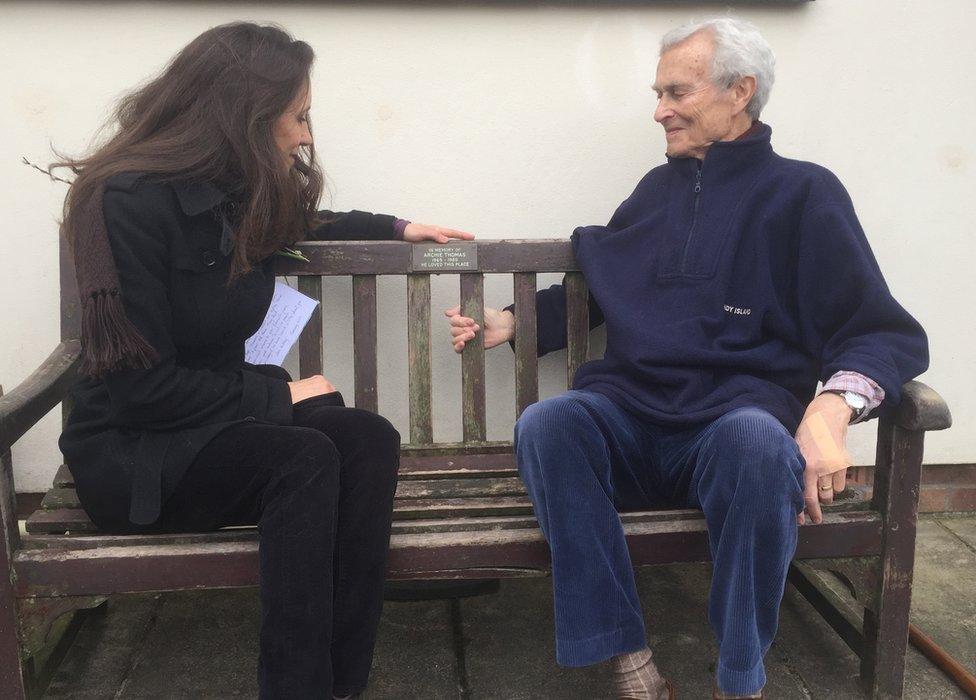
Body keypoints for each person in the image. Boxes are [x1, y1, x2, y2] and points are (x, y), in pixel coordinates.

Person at [445, 17, 927, 700]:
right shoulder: (654, 191)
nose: (659, 110)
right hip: (632, 421)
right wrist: (515, 322)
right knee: (550, 425)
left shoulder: (804, 194)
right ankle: (629, 660)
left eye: (678, 92)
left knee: (759, 444)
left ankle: (740, 680)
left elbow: (879, 330)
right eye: (658, 93)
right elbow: (607, 282)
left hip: (733, 433)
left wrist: (829, 411)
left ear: (740, 92)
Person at [55, 22, 472, 699]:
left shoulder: (231, 196)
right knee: (301, 457)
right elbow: (141, 393)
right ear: (244, 115)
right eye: (299, 115)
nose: (306, 134)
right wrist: (282, 398)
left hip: (214, 426)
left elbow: (307, 222)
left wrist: (398, 227)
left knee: (368, 439)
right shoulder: (124, 204)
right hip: (136, 456)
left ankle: (337, 684)